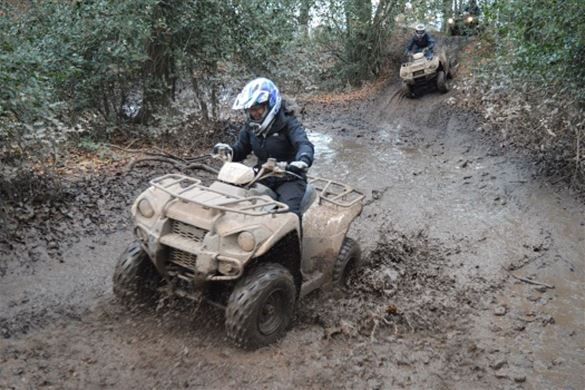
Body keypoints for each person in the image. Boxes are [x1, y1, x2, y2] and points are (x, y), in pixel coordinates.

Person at [213, 77, 314, 220]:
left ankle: (294, 242)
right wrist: (229, 152)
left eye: (257, 109)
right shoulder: (251, 127)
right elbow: (242, 148)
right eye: (250, 110)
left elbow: (304, 144)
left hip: (289, 177)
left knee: (288, 215)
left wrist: (303, 160)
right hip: (262, 174)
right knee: (235, 199)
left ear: (270, 104)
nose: (254, 113)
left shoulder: (289, 123)